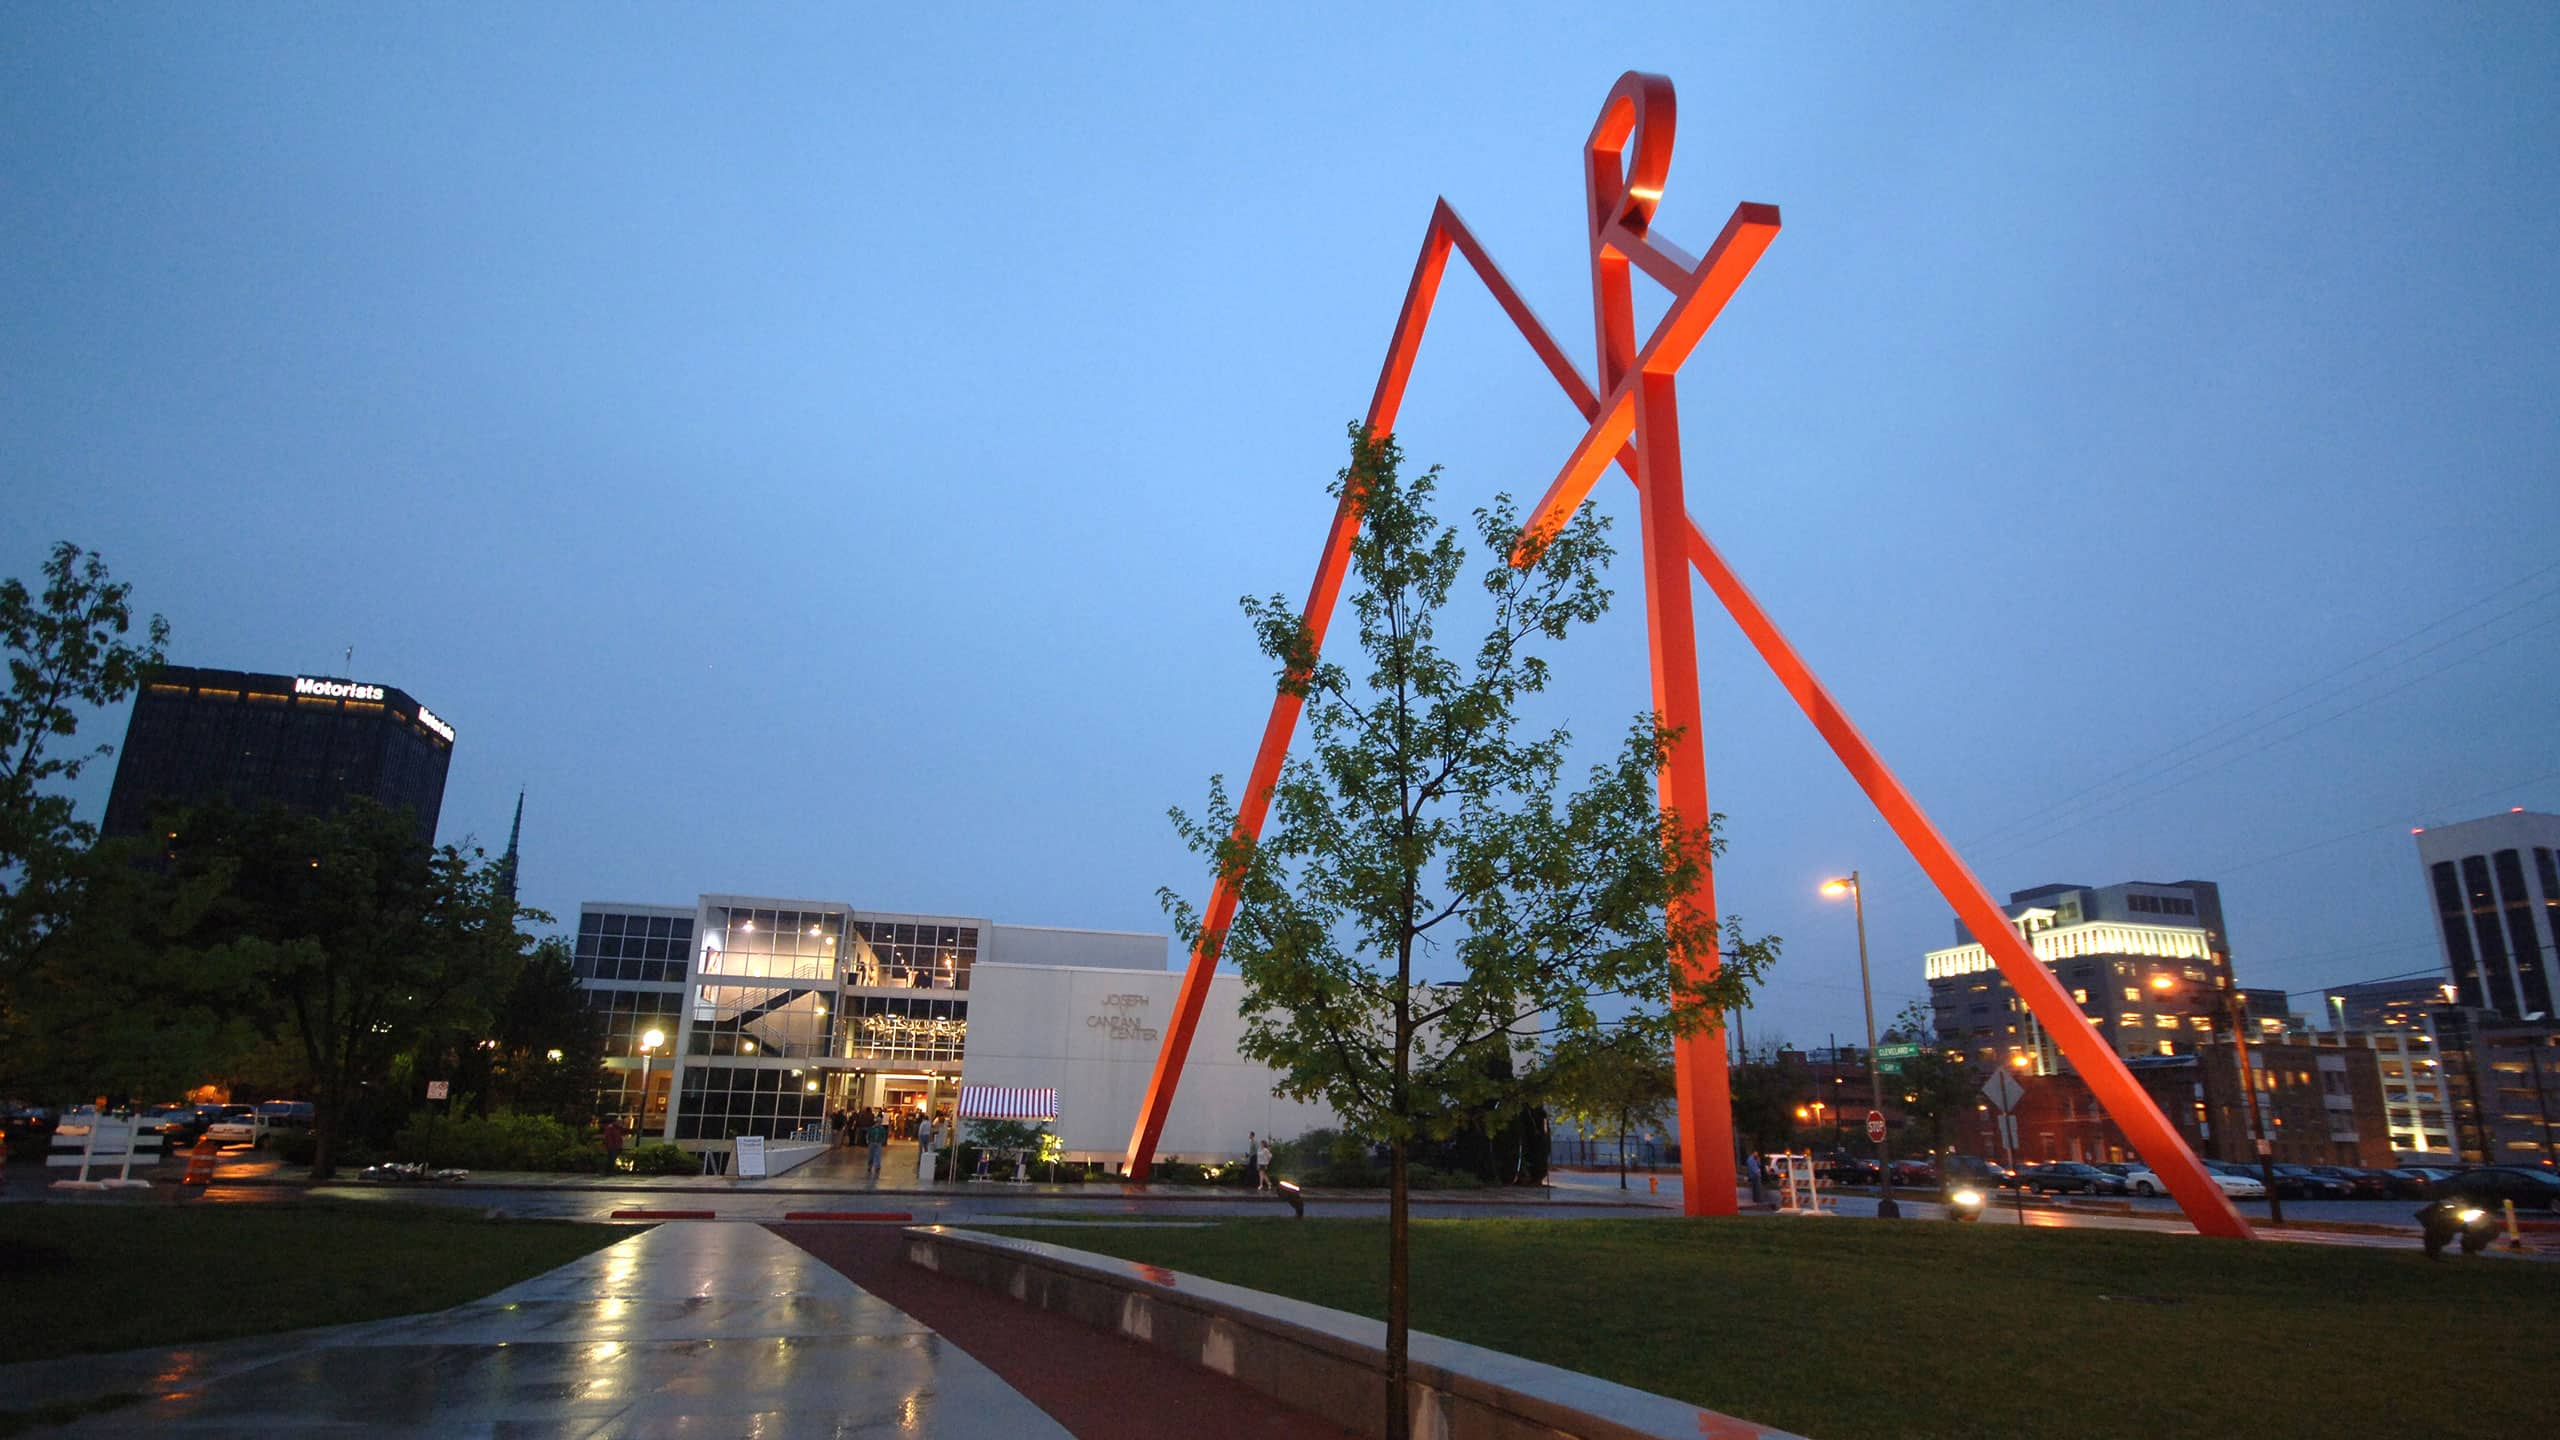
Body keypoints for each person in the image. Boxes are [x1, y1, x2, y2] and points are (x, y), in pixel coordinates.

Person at [916, 1112, 939, 1182]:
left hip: (922, 1135)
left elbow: (920, 1130)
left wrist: (918, 1136)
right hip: (927, 1136)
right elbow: (931, 1130)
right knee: (926, 1147)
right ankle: (925, 1156)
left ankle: (920, 1159)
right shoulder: (929, 1123)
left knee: (920, 1147)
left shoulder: (923, 1123)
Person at [864, 1113, 888, 1179]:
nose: (878, 1123)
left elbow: (883, 1135)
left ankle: (877, 1166)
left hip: (877, 1143)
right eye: (878, 1122)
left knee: (877, 1154)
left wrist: (882, 1141)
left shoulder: (881, 1128)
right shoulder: (873, 1128)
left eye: (879, 1122)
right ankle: (870, 1165)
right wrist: (868, 1140)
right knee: (871, 1155)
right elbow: (868, 1134)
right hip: (872, 1142)